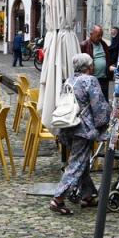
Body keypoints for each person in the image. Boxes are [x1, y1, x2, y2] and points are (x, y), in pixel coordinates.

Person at [48, 54, 111, 215]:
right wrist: (107, 123)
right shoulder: (90, 80)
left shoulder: (68, 81)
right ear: (89, 67)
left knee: (81, 163)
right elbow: (99, 107)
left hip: (67, 126)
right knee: (76, 164)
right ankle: (58, 199)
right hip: (83, 129)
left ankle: (88, 195)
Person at [80, 25, 111, 102]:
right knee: (94, 101)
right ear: (91, 34)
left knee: (104, 100)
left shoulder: (103, 44)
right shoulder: (84, 45)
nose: (100, 38)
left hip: (104, 78)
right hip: (92, 79)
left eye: (101, 35)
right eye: (98, 36)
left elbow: (107, 58)